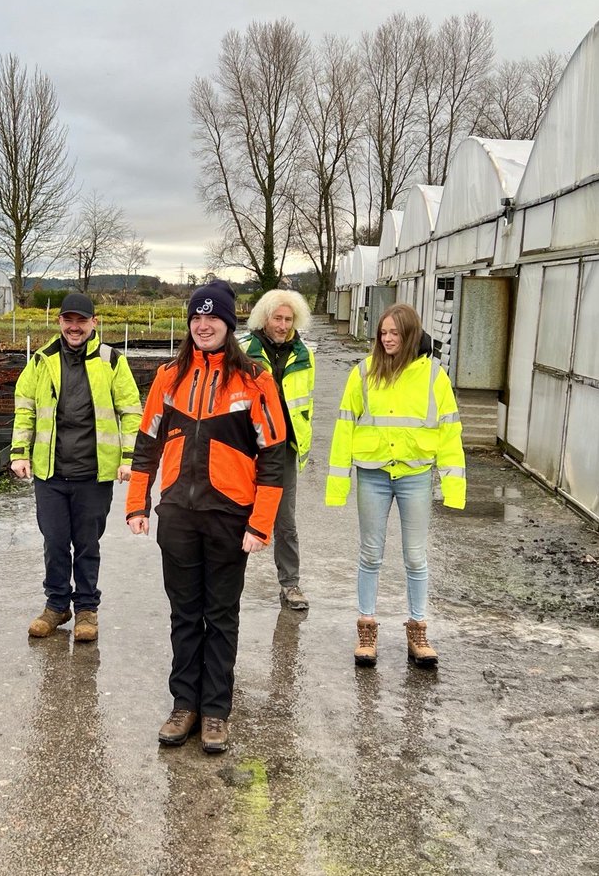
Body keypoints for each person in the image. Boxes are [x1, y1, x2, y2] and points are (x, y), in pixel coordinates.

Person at [126, 280, 288, 754]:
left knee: (220, 616)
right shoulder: (167, 377)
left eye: (212, 318)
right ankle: (184, 706)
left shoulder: (255, 379)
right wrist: (138, 503)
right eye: (197, 317)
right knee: (183, 614)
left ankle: (215, 711)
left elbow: (273, 457)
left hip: (229, 518)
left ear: (229, 324)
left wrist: (261, 523)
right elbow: (145, 446)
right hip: (177, 514)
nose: (203, 325)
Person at [326, 302, 465, 670]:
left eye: (395, 333)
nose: (387, 339)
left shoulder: (434, 375)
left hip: (414, 474)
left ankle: (418, 630)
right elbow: (344, 428)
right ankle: (367, 629)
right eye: (383, 333)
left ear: (411, 335)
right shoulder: (363, 373)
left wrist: (453, 486)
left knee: (416, 556)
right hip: (372, 473)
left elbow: (450, 430)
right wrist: (337, 485)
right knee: (370, 554)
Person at [10, 292, 143, 643]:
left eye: (81, 321)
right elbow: (24, 407)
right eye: (68, 320)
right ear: (60, 323)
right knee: (54, 541)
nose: (74, 327)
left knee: (87, 544)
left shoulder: (112, 361)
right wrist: (19, 453)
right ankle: (56, 605)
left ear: (93, 323)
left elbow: (131, 412)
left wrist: (129, 460)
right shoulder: (41, 360)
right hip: (50, 472)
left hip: (93, 473)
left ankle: (86, 608)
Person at [241, 289, 316, 611]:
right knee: (234, 514)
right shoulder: (243, 349)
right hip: (245, 445)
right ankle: (225, 583)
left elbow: (305, 404)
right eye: (277, 318)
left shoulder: (304, 354)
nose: (283, 325)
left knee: (284, 520)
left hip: (283, 447)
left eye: (288, 319)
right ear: (264, 318)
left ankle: (290, 583)